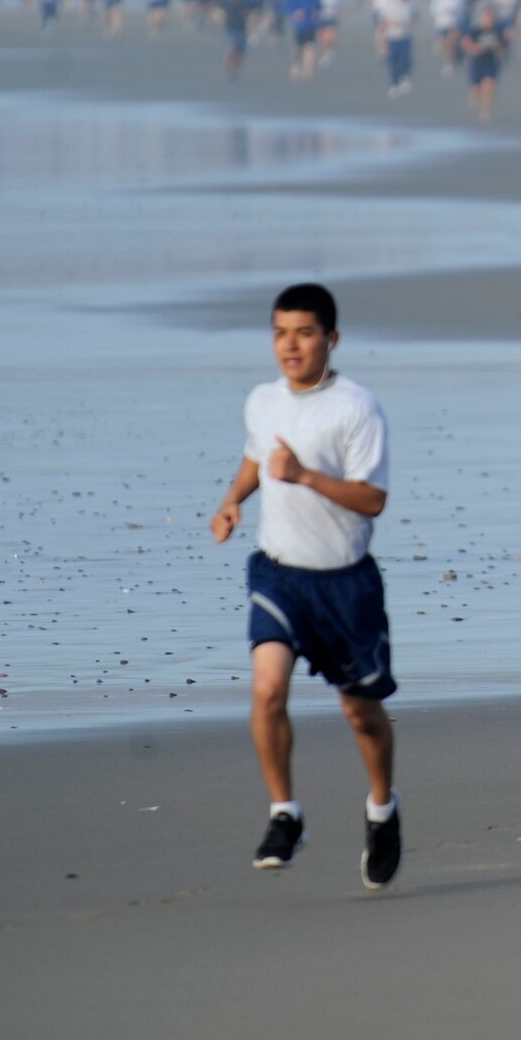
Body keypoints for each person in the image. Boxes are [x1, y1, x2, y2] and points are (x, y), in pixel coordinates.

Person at [208, 283, 401, 889]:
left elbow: (372, 499)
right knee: (267, 690)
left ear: (331, 339)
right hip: (279, 574)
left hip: (346, 586)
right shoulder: (263, 400)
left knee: (361, 715)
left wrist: (305, 476)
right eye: (280, 332)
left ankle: (381, 810)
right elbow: (256, 456)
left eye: (304, 332)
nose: (290, 345)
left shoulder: (356, 407)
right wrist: (233, 499)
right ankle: (284, 814)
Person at [462, 4, 508, 125]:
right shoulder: (475, 30)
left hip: (491, 62)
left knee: (489, 86)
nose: (489, 20)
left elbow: (503, 45)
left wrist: (499, 47)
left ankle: (486, 111)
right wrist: (474, 48)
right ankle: (473, 94)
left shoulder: (498, 30)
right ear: (482, 18)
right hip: (477, 62)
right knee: (477, 90)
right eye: (486, 18)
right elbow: (465, 43)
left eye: (491, 18)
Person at [376, 0, 415, 97]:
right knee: (393, 61)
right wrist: (382, 43)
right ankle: (394, 84)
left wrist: (407, 23)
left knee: (405, 60)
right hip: (392, 37)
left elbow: (413, 20)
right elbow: (383, 24)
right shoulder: (389, 6)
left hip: (405, 36)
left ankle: (404, 78)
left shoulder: (409, 5)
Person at [286, 0, 323, 81]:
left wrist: (316, 13)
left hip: (311, 25)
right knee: (297, 48)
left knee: (310, 48)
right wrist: (295, 13)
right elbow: (288, 6)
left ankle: (308, 70)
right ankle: (295, 67)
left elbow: (319, 7)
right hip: (299, 26)